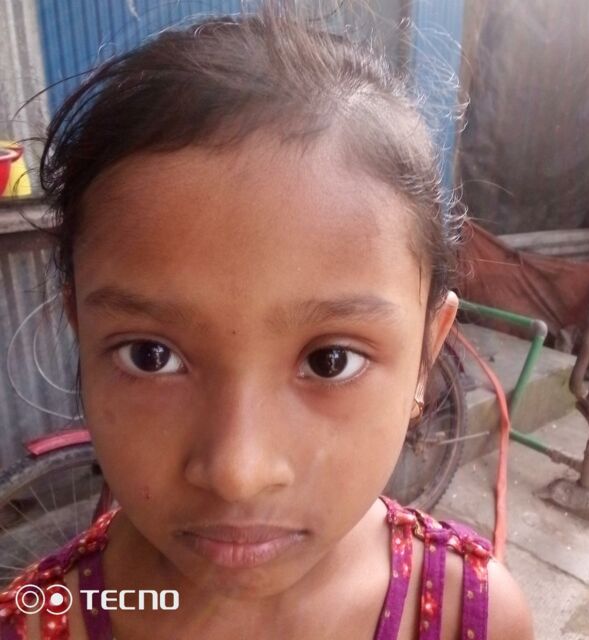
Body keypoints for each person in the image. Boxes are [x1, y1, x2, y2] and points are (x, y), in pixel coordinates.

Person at [0, 4, 533, 639]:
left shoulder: (470, 618)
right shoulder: (38, 623)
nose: (238, 472)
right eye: (150, 355)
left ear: (425, 356)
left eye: (330, 361)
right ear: (80, 334)